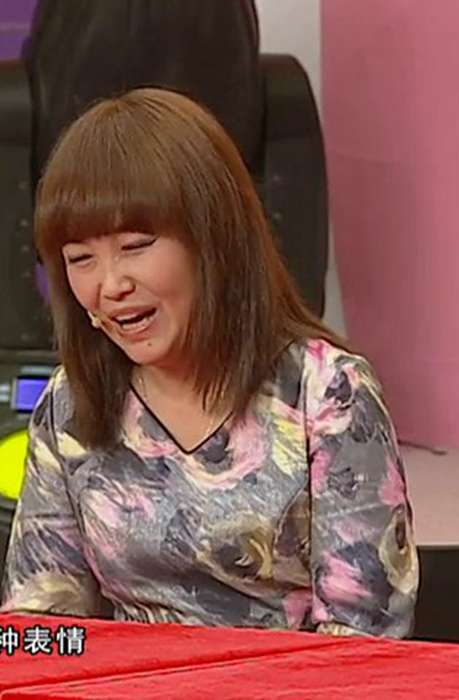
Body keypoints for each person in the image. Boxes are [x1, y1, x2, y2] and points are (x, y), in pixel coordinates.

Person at [0, 88, 418, 637]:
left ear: (213, 239)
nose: (111, 284)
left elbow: (362, 638)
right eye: (81, 259)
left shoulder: (328, 394)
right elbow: (40, 623)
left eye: (136, 245)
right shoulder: (71, 402)